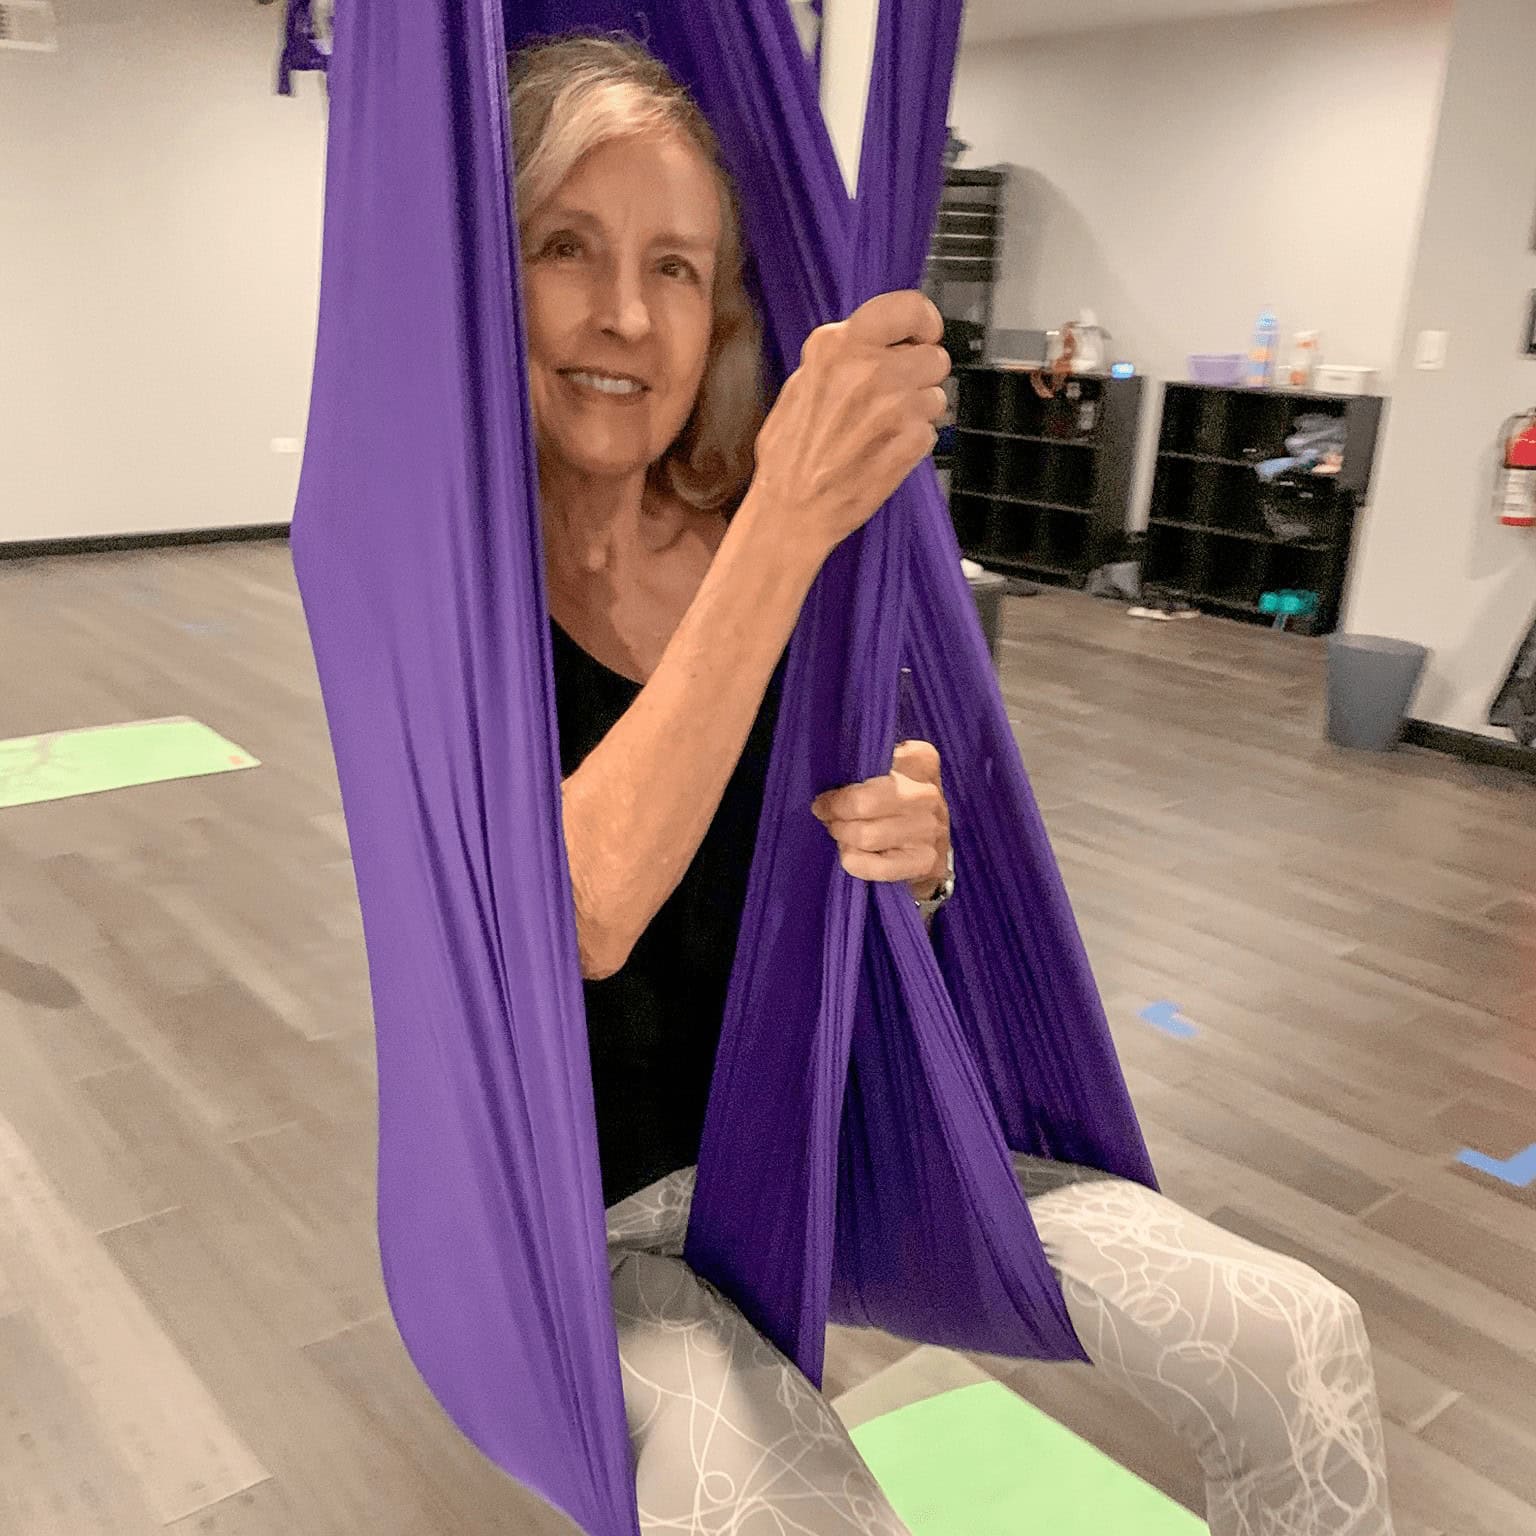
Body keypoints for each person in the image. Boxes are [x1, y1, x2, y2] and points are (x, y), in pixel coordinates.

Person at [511, 35, 1396, 1536]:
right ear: (490, 274)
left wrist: (914, 863)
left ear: (718, 310)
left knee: (1303, 1339)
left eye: (674, 266)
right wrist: (787, 525)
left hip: (828, 1133)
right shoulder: (450, 600)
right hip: (583, 1217)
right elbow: (576, 910)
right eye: (566, 247)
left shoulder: (770, 544)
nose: (620, 313)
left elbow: (866, 873)